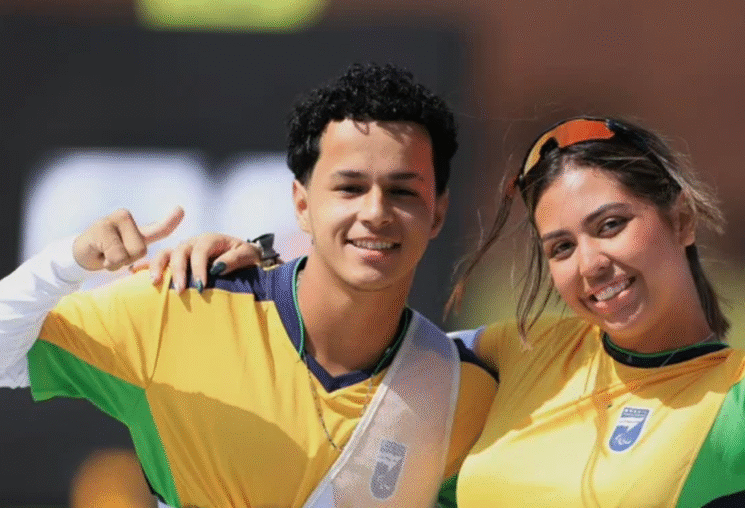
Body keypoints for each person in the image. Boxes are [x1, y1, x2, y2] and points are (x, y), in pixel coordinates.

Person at [160, 0, 745, 505]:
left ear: (679, 219)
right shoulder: (517, 358)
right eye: (561, 246)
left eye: (611, 225)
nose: (590, 264)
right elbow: (343, 356)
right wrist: (261, 267)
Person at [0, 63, 497, 508]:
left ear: (438, 212)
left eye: (403, 191)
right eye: (349, 188)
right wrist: (69, 261)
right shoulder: (181, 309)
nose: (375, 212)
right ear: (301, 202)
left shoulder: (464, 391)